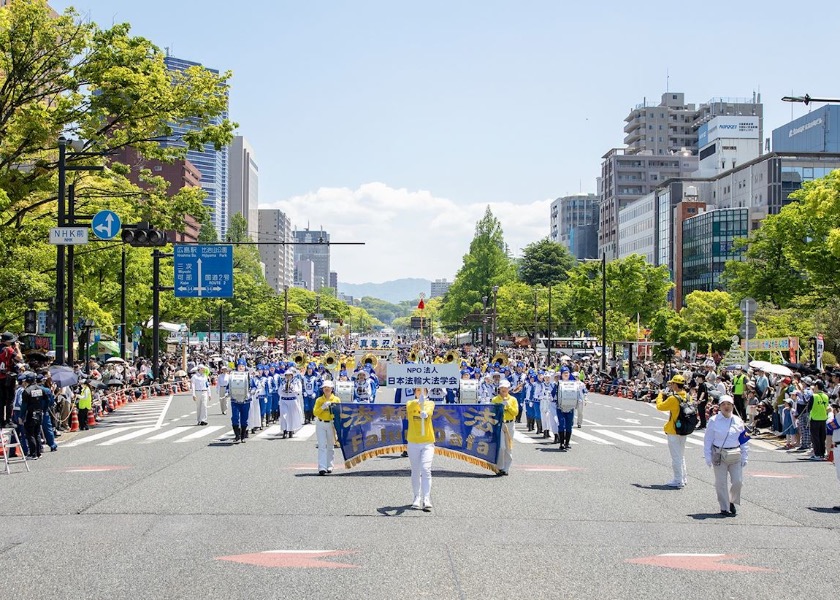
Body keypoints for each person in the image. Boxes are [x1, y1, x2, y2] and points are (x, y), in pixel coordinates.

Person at [703, 395, 749, 516]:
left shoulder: (738, 420)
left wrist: (745, 455)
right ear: (719, 406)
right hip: (719, 454)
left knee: (738, 481)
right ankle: (724, 507)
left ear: (733, 406)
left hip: (735, 454)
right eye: (723, 404)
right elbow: (708, 439)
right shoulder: (713, 420)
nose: (726, 407)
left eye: (729, 404)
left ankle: (732, 501)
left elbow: (743, 440)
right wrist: (707, 456)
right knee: (721, 483)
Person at [656, 374, 690, 488]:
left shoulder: (673, 398)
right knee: (681, 455)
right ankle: (683, 477)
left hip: (673, 430)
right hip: (684, 429)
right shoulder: (688, 396)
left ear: (676, 385)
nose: (671, 385)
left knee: (676, 457)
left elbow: (660, 406)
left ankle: (678, 480)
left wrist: (660, 395)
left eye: (672, 384)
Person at [406, 387, 435, 509]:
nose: (420, 392)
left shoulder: (430, 403)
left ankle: (426, 498)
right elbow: (411, 408)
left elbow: (429, 411)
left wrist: (425, 412)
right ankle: (416, 497)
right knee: (416, 470)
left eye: (423, 390)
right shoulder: (409, 403)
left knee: (426, 469)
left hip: (427, 442)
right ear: (415, 392)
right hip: (413, 441)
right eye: (418, 390)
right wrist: (419, 403)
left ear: (427, 392)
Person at [313, 380, 340, 475]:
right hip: (321, 423)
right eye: (325, 388)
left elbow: (339, 413)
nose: (327, 389)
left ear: (332, 389)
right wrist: (323, 407)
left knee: (330, 445)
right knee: (321, 445)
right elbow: (315, 413)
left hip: (331, 424)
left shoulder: (336, 399)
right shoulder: (319, 400)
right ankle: (322, 467)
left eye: (328, 388)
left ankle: (330, 465)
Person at [492, 379, 519, 476]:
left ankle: (506, 468)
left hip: (510, 424)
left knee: (508, 447)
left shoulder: (513, 399)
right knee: (501, 447)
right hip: (500, 424)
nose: (504, 389)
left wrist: (508, 406)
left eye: (506, 388)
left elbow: (515, 413)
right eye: (502, 388)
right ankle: (500, 467)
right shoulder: (495, 399)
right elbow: (492, 413)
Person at [556, 368, 584, 450]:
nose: (566, 374)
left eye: (567, 373)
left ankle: (567, 443)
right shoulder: (558, 383)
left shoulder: (574, 383)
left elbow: (578, 393)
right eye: (564, 373)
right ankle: (561, 443)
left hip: (570, 407)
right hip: (560, 408)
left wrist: (579, 399)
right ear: (561, 374)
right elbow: (553, 393)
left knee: (569, 425)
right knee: (561, 424)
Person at [0, 332, 23, 427]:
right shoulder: (9, 349)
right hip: (8, 378)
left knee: (1, 400)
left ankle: (1, 421)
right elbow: (20, 358)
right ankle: (8, 420)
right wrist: (17, 348)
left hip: (0, 377)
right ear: (8, 341)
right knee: (10, 400)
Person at [278, 368, 304, 438]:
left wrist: (293, 389)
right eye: (287, 375)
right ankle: (284, 430)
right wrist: (283, 390)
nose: (288, 377)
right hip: (284, 400)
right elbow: (279, 392)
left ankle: (291, 431)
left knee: (291, 416)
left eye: (289, 375)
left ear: (292, 375)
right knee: (284, 416)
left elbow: (299, 391)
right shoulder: (283, 382)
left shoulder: (296, 381)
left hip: (292, 400)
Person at [809, 380, 830, 460]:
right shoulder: (826, 396)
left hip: (815, 418)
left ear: (817, 386)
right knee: (822, 437)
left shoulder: (814, 396)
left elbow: (809, 408)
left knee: (815, 438)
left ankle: (817, 454)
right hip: (823, 419)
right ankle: (822, 454)